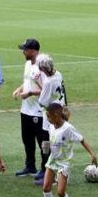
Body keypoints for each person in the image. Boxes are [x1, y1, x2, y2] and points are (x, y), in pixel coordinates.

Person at [38, 102, 97, 197]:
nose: (47, 119)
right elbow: (48, 139)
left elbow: (82, 140)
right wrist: (45, 151)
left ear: (56, 115)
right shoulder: (51, 126)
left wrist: (93, 154)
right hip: (53, 160)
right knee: (46, 188)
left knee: (60, 192)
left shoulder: (68, 128)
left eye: (49, 116)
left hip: (65, 163)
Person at [11, 38, 46, 180]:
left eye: (25, 50)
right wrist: (19, 89)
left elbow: (46, 89)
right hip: (25, 110)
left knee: (42, 142)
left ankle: (45, 168)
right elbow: (27, 81)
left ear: (33, 51)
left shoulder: (42, 67)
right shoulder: (27, 64)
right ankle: (30, 166)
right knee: (27, 140)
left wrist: (30, 93)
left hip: (38, 111)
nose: (23, 52)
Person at [34, 54, 67, 184]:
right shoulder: (58, 74)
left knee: (48, 145)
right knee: (57, 144)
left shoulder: (48, 82)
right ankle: (55, 173)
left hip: (50, 119)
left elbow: (42, 102)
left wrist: (38, 83)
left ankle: (50, 176)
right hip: (61, 114)